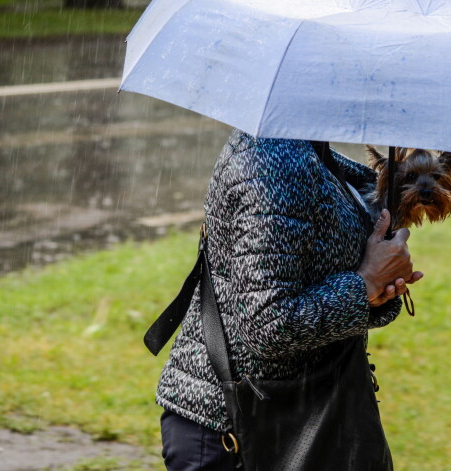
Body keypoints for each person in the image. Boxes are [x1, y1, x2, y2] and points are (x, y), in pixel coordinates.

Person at [158, 129, 423, 470]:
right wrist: (365, 283)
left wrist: (378, 286)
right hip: (238, 430)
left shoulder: (311, 149)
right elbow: (268, 324)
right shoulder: (274, 160)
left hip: (302, 415)